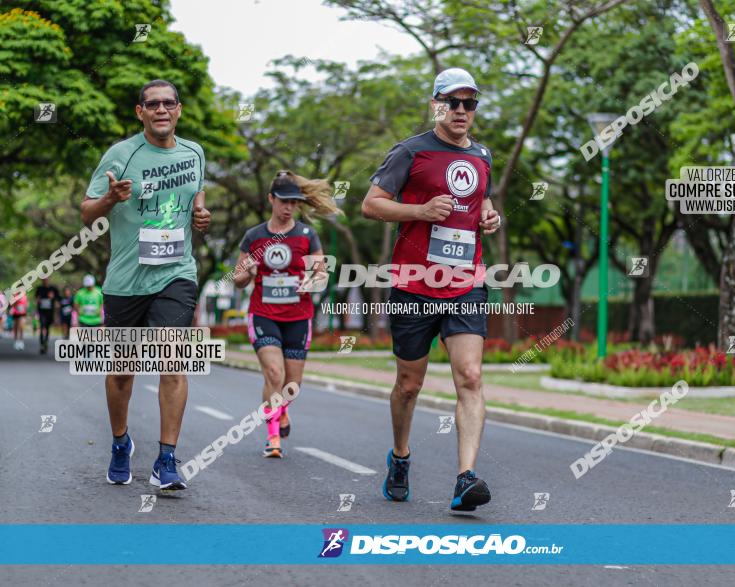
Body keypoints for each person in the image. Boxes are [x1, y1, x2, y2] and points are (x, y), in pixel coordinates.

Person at [361, 68, 502, 512]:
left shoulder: (482, 156)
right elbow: (371, 205)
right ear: (436, 104)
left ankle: (465, 479)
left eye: (469, 103)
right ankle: (400, 457)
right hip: (414, 283)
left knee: (471, 376)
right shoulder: (410, 152)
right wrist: (420, 210)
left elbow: (482, 201)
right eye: (452, 102)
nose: (461, 111)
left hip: (465, 282)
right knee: (409, 383)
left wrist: (490, 216)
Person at [80, 79, 210, 490]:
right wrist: (110, 200)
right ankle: (121, 444)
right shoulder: (121, 154)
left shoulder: (195, 153)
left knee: (173, 358)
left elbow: (197, 201)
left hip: (176, 272)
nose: (160, 110)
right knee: (122, 372)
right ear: (140, 112)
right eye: (151, 104)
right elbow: (87, 213)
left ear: (179, 109)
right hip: (125, 279)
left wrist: (201, 218)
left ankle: (166, 460)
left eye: (168, 103)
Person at [233, 170, 337, 458]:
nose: (289, 207)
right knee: (274, 373)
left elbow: (321, 275)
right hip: (263, 314)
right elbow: (237, 277)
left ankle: (280, 410)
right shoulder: (254, 236)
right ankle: (273, 437)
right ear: (271, 199)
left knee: (292, 385)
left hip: (298, 316)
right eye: (283, 201)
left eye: (294, 202)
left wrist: (310, 280)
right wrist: (248, 272)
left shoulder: (307, 235)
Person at [35, 278, 60, 354]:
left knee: (47, 327)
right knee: (42, 326)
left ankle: (45, 342)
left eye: (47, 279)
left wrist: (53, 298)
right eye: (44, 280)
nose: (45, 281)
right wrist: (38, 300)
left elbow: (58, 299)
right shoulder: (39, 289)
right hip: (42, 311)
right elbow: (36, 298)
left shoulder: (53, 289)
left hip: (50, 312)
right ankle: (42, 343)